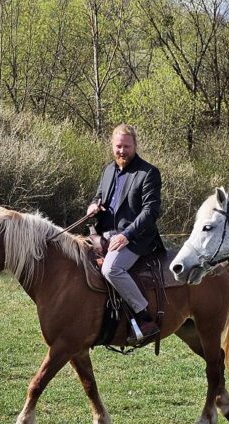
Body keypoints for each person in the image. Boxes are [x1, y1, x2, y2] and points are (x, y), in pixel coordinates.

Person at [87, 124, 165, 346]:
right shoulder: (108, 170)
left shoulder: (149, 173)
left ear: (135, 146)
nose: (122, 151)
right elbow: (98, 196)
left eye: (127, 147)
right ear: (112, 146)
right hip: (103, 234)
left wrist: (127, 235)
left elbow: (151, 211)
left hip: (137, 238)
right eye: (118, 146)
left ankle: (144, 317)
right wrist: (92, 206)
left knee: (111, 268)